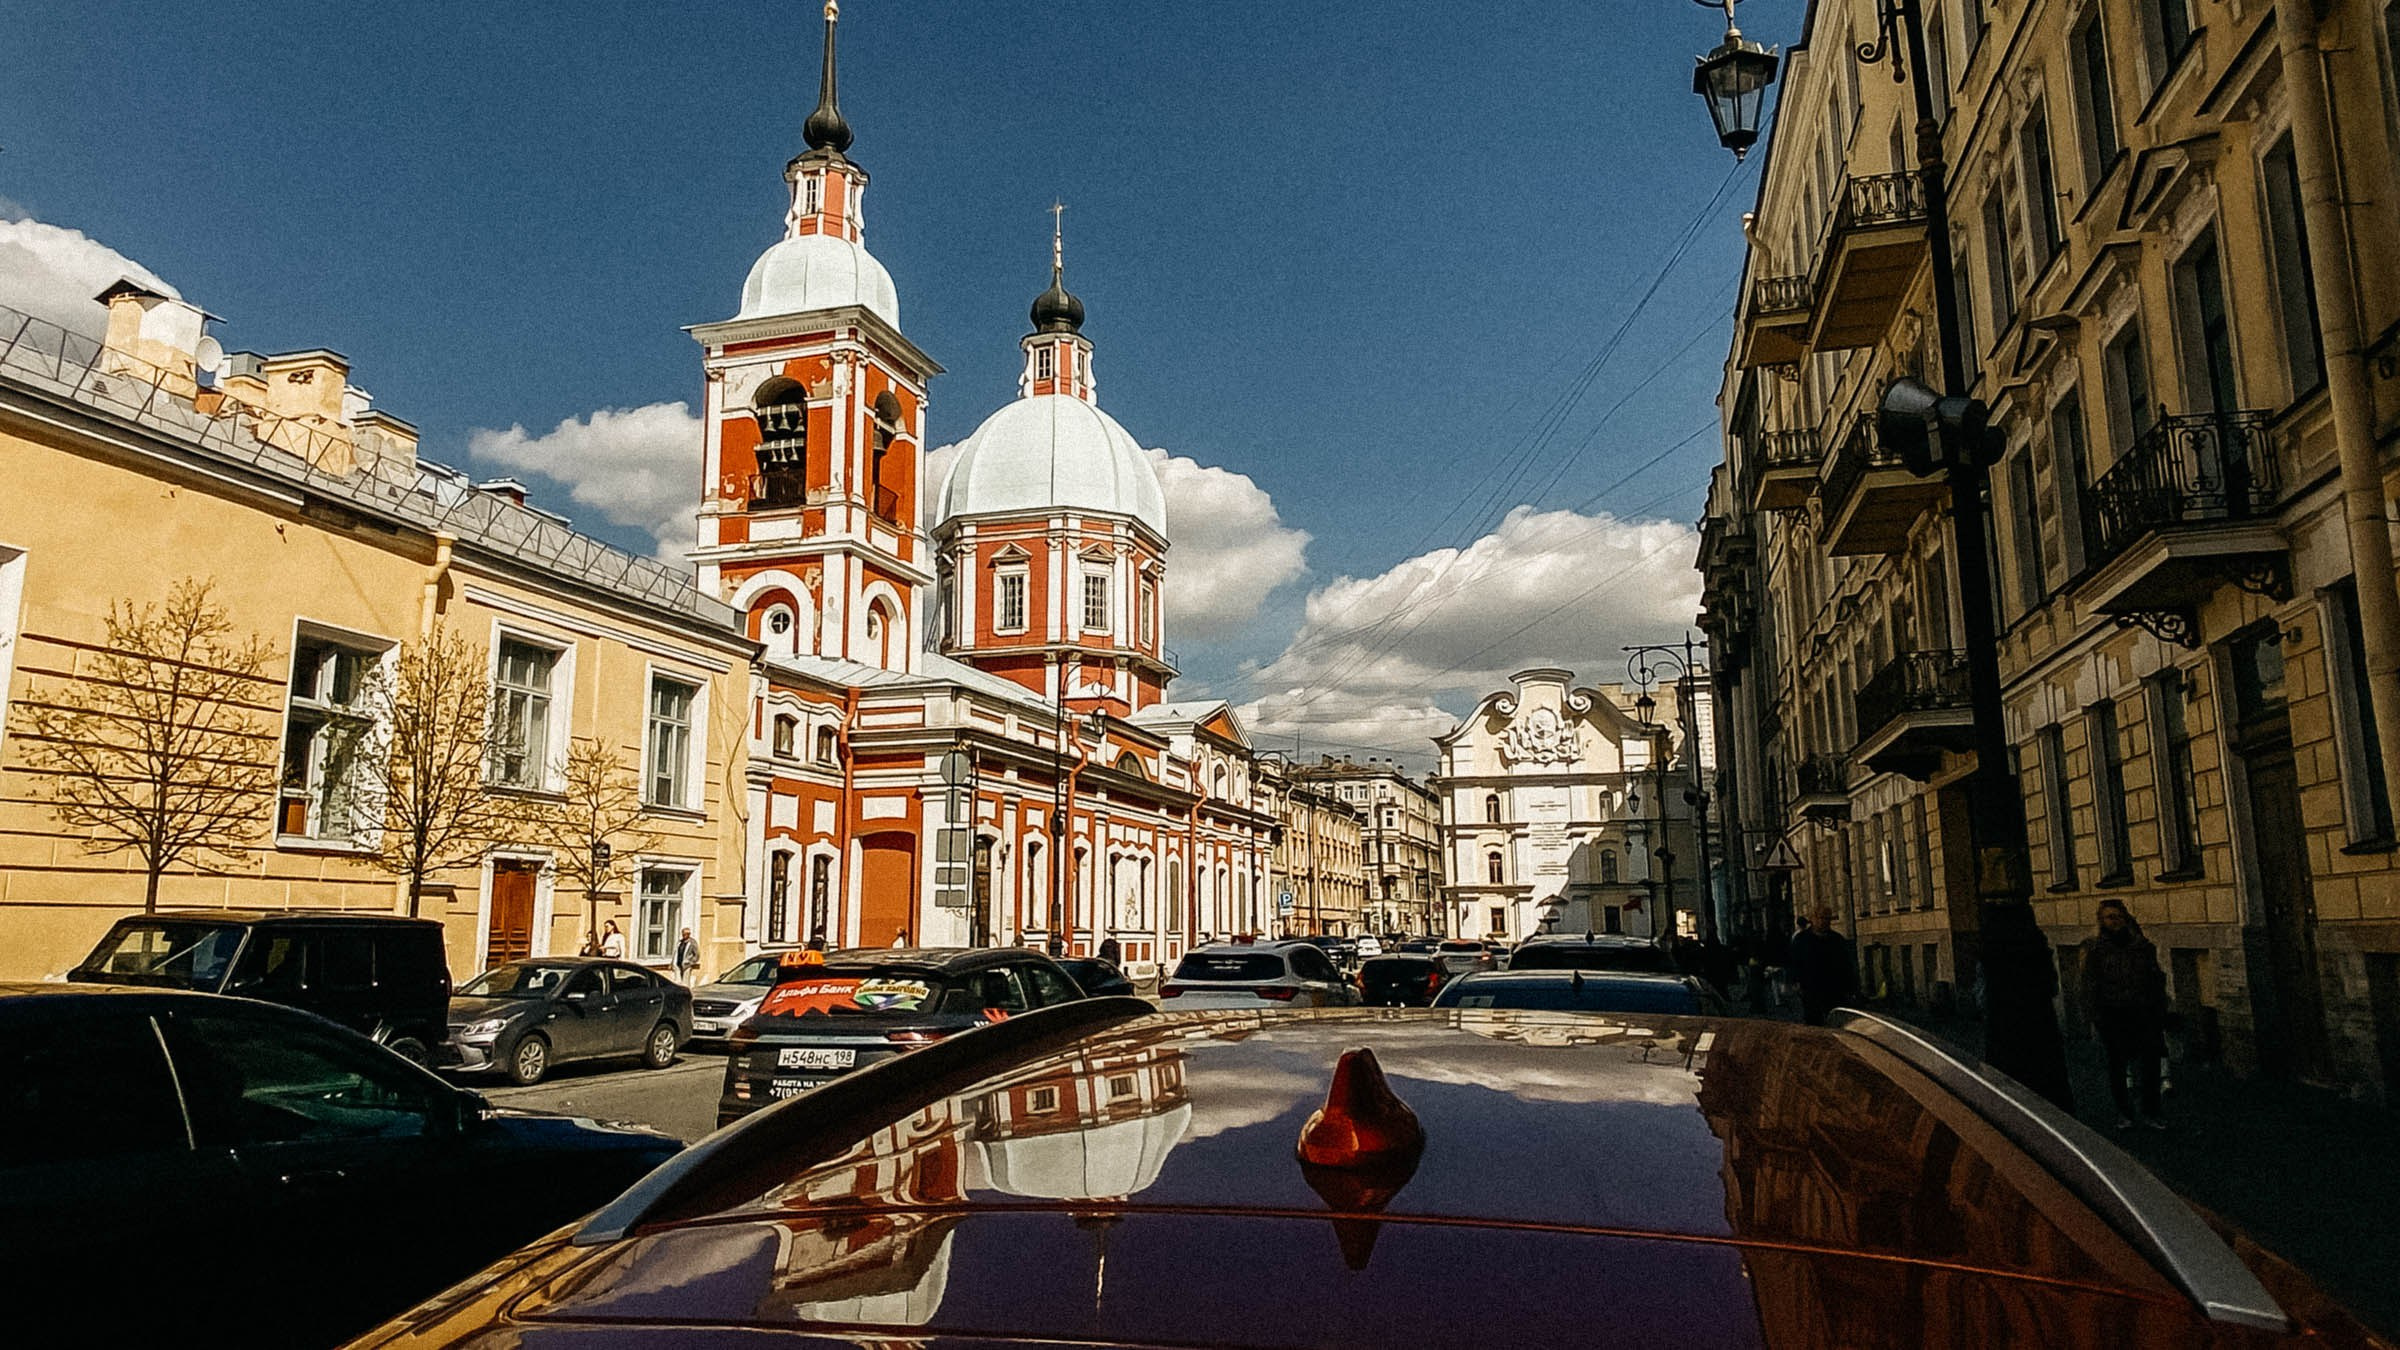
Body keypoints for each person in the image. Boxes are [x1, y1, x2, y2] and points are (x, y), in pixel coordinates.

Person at [2078, 898, 2169, 1130]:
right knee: (2116, 1066)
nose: (2114, 921)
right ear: (2102, 920)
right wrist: (2093, 1015)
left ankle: (2151, 1111)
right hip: (2112, 1014)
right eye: (2109, 917)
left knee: (2149, 1064)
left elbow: (2155, 977)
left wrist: (2158, 1006)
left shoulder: (2141, 946)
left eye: (2118, 916)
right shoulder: (2096, 949)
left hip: (2142, 1011)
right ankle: (2124, 1112)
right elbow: (2089, 984)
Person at [1787, 906, 1858, 1026]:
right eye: (1822, 918)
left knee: (1836, 1020)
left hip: (1834, 987)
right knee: (1814, 1020)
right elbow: (1794, 961)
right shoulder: (1801, 940)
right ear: (1813, 919)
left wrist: (1850, 987)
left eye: (1828, 918)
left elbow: (1846, 964)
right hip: (1811, 987)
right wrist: (1795, 981)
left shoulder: (1837, 939)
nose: (1825, 921)